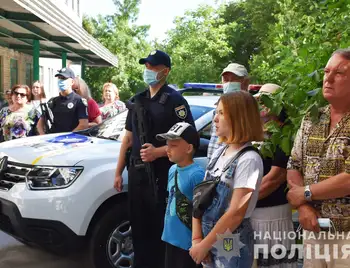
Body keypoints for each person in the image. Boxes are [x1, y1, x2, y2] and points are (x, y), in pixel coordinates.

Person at [113, 50, 195, 268]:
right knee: (139, 230)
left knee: (159, 233)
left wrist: (158, 152)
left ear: (165, 71)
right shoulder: (138, 100)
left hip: (162, 177)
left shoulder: (175, 101)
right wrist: (118, 171)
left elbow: (189, 140)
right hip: (137, 175)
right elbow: (128, 139)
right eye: (146, 66)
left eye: (153, 67)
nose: (148, 71)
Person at [287, 48, 350, 267]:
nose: (329, 78)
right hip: (314, 229)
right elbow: (294, 164)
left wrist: (305, 194)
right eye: (326, 71)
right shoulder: (313, 118)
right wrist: (304, 207)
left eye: (340, 73)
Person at [190, 91, 264, 268]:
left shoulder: (248, 159)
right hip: (208, 236)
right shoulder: (219, 152)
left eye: (221, 113)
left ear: (239, 118)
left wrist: (205, 244)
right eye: (216, 112)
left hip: (230, 238)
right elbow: (200, 199)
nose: (215, 118)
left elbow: (236, 213)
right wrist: (197, 238)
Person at [251, 84, 297, 268]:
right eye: (259, 100)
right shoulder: (256, 133)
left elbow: (275, 178)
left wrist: (241, 199)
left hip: (273, 216)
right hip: (251, 214)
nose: (261, 104)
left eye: (266, 100)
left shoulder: (285, 134)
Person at [156, 122, 205, 268]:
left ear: (189, 148)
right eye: (167, 145)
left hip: (187, 242)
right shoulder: (172, 169)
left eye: (174, 145)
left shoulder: (197, 175)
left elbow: (202, 209)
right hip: (170, 237)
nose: (168, 149)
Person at [207, 63, 250, 160]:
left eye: (234, 79)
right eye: (226, 79)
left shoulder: (251, 108)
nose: (229, 83)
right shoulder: (219, 105)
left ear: (246, 82)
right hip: (214, 164)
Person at [37, 67, 88, 134]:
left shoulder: (79, 101)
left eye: (64, 78)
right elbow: (40, 124)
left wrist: (67, 137)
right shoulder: (53, 101)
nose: (60, 81)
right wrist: (43, 136)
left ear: (72, 82)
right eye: (59, 78)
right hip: (53, 139)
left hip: (71, 141)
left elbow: (83, 125)